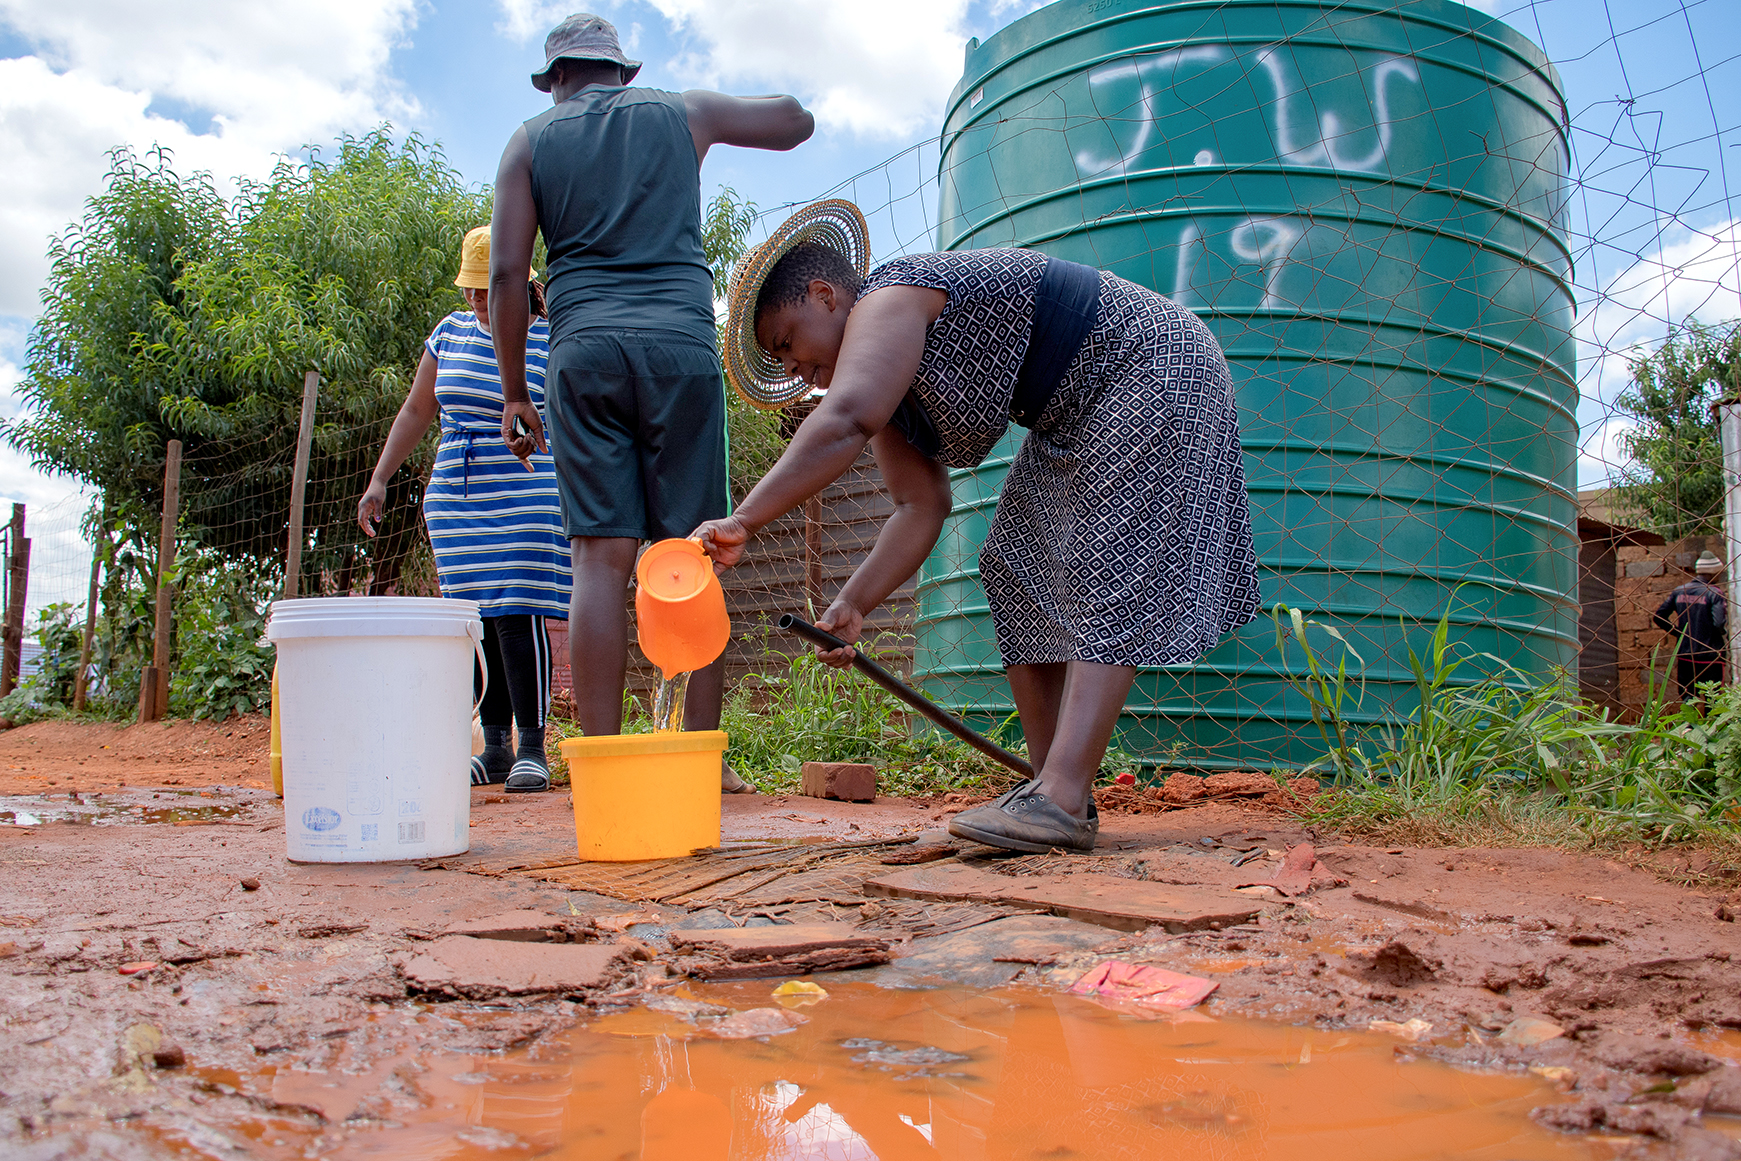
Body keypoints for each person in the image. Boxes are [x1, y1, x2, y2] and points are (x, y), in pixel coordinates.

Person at [693, 200, 1261, 854]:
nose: (792, 370)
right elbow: (920, 507)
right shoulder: (890, 394)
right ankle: (1053, 793)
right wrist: (853, 602)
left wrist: (744, 519)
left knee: (1102, 556)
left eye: (787, 343)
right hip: (1074, 410)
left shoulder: (889, 296)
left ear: (825, 295)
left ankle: (1060, 794)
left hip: (1148, 360)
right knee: (1014, 560)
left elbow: (844, 419)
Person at [487, 14, 813, 788]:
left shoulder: (529, 142)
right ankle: (702, 762)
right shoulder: (684, 111)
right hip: (679, 351)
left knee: (598, 562)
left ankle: (601, 763)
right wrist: (729, 112)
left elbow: (504, 276)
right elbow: (794, 122)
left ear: (555, 79)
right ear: (623, 71)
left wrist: (513, 393)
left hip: (583, 355)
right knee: (693, 552)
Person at [358, 226, 571, 793]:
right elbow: (416, 410)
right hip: (459, 493)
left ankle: (533, 748)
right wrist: (380, 479)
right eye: (471, 288)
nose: (478, 298)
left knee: (518, 609)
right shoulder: (448, 333)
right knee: (477, 620)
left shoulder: (552, 336)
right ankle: (495, 747)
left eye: (488, 287)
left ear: (519, 282)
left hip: (528, 487)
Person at [1653, 550, 1728, 701]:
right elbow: (1719, 623)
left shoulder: (1679, 591)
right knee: (1712, 700)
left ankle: (1689, 717)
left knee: (1688, 698)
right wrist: (1723, 634)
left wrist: (1678, 633)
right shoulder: (1714, 593)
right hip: (1710, 655)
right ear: (1714, 573)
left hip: (1686, 654)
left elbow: (1659, 616)